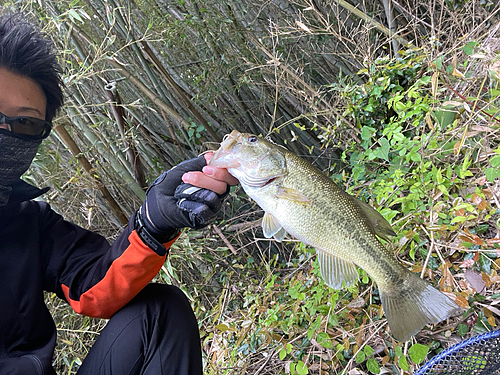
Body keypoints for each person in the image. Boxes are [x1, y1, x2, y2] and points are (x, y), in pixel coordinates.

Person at [0, 11, 238, 375]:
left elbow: (94, 284)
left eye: (25, 122)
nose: (5, 130)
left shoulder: (27, 222)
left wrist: (153, 221)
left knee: (160, 312)